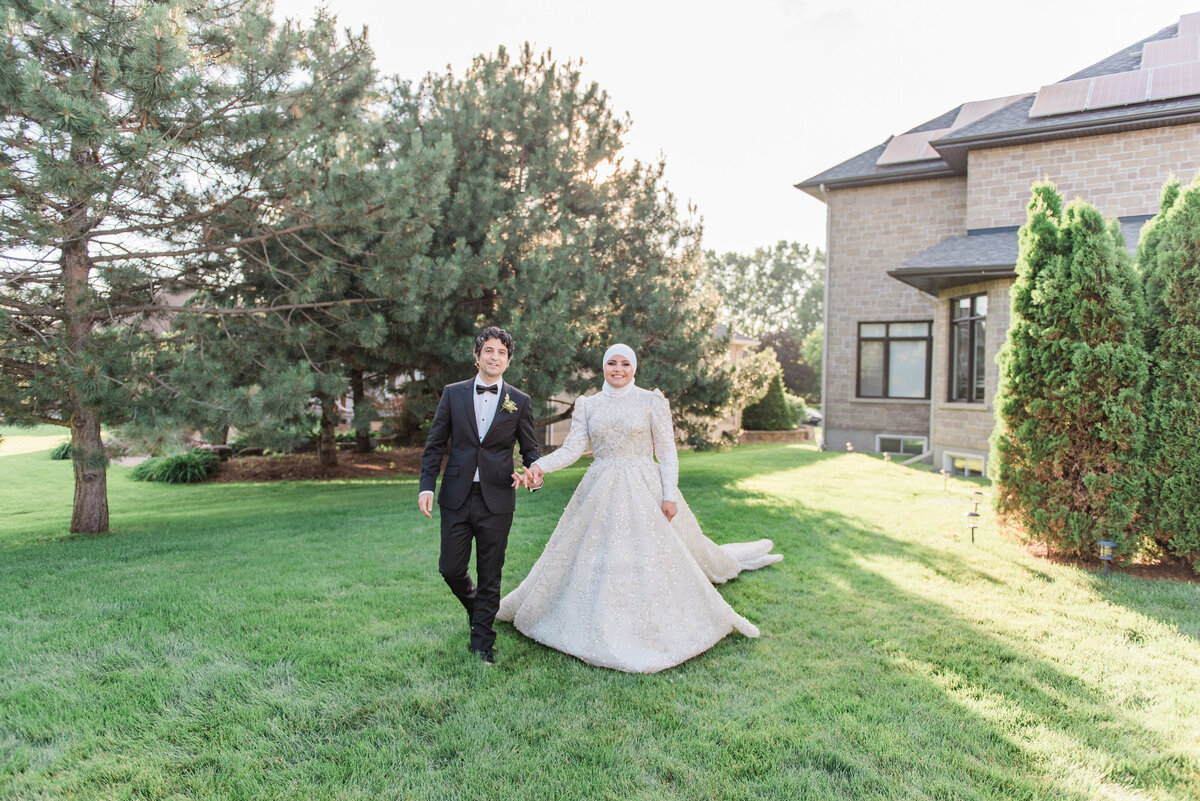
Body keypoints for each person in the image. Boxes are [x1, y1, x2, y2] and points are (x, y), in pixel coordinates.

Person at [498, 343, 782, 673]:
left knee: (667, 553)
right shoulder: (588, 405)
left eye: (625, 364)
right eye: (611, 363)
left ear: (634, 368)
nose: (618, 369)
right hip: (601, 487)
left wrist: (669, 494)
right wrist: (540, 467)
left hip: (645, 486)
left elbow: (667, 451)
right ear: (603, 367)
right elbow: (573, 449)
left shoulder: (651, 401)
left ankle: (723, 567)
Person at [419, 327, 541, 665]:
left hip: (498, 498)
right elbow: (434, 445)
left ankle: (482, 643)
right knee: (450, 568)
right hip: (456, 496)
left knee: (491, 573)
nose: (495, 357)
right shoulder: (453, 394)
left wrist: (534, 475)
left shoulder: (519, 401)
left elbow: (530, 449)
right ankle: (478, 610)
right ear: (477, 357)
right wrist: (427, 485)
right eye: (488, 350)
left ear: (508, 360)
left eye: (502, 352)